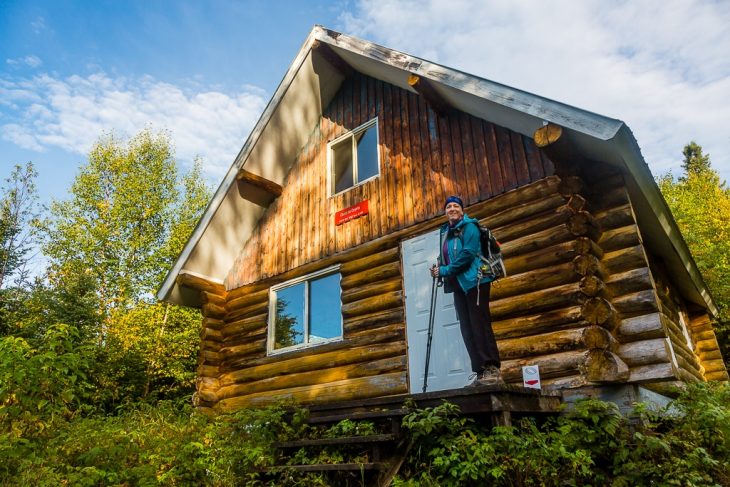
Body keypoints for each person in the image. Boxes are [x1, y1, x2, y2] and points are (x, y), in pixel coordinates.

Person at [430, 195, 504, 387]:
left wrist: (445, 271)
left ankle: (492, 369)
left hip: (476, 281)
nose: (452, 209)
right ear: (445, 212)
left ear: (462, 210)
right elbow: (447, 255)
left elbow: (468, 254)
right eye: (448, 207)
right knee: (467, 327)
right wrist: (439, 265)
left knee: (479, 324)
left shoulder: (470, 226)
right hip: (458, 284)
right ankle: (479, 372)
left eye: (456, 206)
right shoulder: (445, 231)